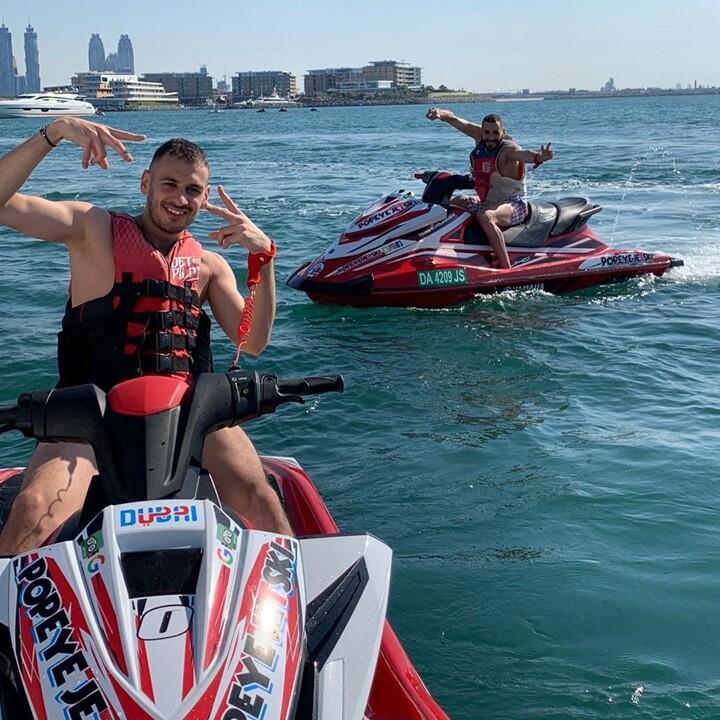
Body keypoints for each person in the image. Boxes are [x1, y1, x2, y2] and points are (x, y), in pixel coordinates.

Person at [0, 117, 292, 555]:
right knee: (33, 509)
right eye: (168, 184)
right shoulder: (92, 229)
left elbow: (252, 342)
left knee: (260, 497)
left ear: (204, 198)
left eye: (192, 190)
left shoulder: (209, 266)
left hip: (188, 409)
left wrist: (264, 257)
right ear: (145, 184)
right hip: (93, 408)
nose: (180, 198)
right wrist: (54, 133)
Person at [425, 108, 554, 268]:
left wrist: (539, 157)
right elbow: (455, 119)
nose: (491, 137)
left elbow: (522, 154)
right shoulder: (480, 137)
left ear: (503, 132)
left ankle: (506, 268)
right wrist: (439, 113)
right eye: (487, 132)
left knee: (485, 216)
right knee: (450, 203)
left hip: (514, 204)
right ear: (482, 131)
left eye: (495, 132)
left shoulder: (508, 149)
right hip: (487, 202)